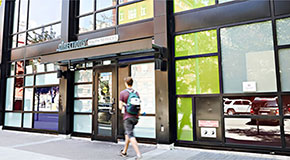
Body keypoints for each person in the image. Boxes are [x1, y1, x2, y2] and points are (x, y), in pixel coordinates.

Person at [119, 77, 142, 160]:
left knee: (131, 135)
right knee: (127, 134)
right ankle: (124, 151)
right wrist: (138, 116)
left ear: (126, 83)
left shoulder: (123, 93)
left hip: (127, 117)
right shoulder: (136, 93)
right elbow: (139, 106)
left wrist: (125, 105)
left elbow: (120, 107)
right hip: (135, 117)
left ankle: (138, 154)